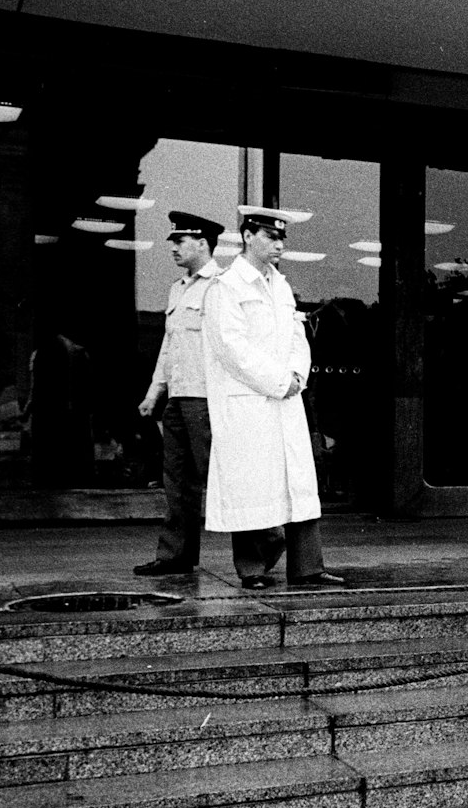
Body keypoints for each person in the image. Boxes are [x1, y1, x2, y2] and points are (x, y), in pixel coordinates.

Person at [202, 210, 343, 589]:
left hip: (286, 398)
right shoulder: (226, 286)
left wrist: (298, 374)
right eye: (270, 236)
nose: (279, 244)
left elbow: (298, 337)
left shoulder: (280, 285)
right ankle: (251, 568)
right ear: (248, 236)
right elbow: (231, 348)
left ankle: (308, 565)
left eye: (282, 238)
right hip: (249, 400)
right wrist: (279, 381)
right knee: (251, 483)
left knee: (297, 481)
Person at [134, 212, 226, 576]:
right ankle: (175, 556)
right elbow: (168, 347)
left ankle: (257, 558)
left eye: (181, 240)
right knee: (176, 482)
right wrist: (154, 392)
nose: (172, 246)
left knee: (221, 479)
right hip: (178, 398)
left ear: (203, 243)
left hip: (207, 399)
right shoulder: (178, 288)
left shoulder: (221, 286)